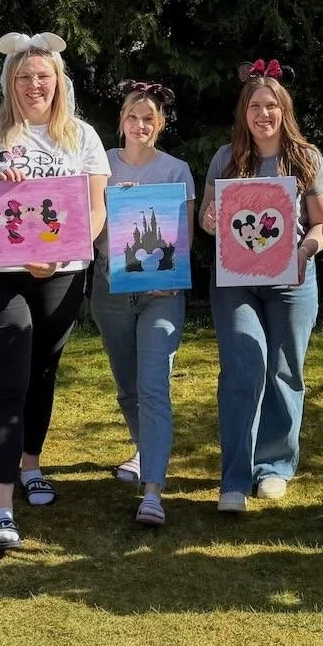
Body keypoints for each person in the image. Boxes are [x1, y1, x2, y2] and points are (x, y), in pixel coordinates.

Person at [0, 32, 108, 551]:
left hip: (61, 272)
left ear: (59, 81)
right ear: (9, 82)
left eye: (44, 76)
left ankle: (31, 466)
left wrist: (67, 252)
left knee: (42, 372)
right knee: (8, 381)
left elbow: (96, 207)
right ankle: (0, 507)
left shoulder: (81, 136)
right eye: (24, 77)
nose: (35, 85)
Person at [200, 58, 323, 513]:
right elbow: (207, 219)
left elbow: (321, 227)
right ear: (244, 113)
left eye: (271, 105)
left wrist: (304, 253)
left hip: (293, 278)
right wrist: (211, 220)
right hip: (235, 282)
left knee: (285, 370)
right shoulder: (226, 158)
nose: (263, 113)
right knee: (242, 366)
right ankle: (234, 477)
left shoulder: (306, 159)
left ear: (284, 110)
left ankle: (274, 467)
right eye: (254, 105)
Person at [88, 80, 195, 527]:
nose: (140, 124)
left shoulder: (176, 170)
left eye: (149, 118)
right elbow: (85, 228)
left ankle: (153, 491)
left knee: (153, 387)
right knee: (128, 388)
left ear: (161, 124)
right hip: (109, 291)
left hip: (161, 296)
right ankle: (142, 450)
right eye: (133, 116)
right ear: (121, 122)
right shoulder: (100, 165)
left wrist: (169, 276)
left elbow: (184, 235)